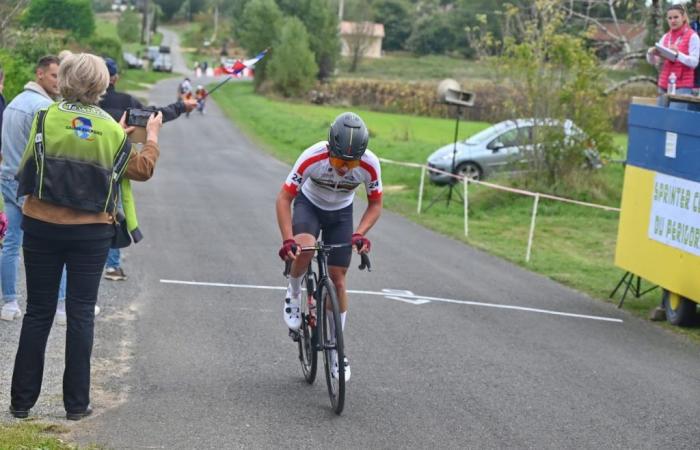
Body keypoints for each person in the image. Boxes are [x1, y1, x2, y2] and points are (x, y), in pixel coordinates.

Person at [9, 53, 163, 421]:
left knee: (37, 312)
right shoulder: (110, 128)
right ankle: (76, 405)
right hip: (91, 231)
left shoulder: (44, 116)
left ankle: (21, 402)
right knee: (80, 313)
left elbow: (31, 160)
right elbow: (139, 170)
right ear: (102, 85)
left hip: (41, 225)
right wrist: (151, 138)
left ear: (63, 79)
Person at [275, 112, 382, 382]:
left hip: (341, 213)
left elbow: (375, 203)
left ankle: (337, 351)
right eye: (338, 161)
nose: (345, 169)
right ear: (329, 149)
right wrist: (288, 239)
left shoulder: (370, 165)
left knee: (338, 281)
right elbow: (284, 197)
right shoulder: (313, 156)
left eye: (351, 162)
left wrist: (360, 233)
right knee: (306, 249)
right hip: (309, 205)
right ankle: (294, 290)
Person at [99, 57, 196, 281]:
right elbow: (155, 115)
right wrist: (182, 106)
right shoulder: (126, 101)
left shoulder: (83, 103)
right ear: (115, 78)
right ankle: (112, 265)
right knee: (114, 213)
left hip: (86, 168)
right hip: (118, 168)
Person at [0, 55, 68, 322]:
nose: (59, 82)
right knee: (57, 244)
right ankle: (61, 306)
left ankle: (9, 302)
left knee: (11, 244)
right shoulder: (44, 107)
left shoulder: (15, 100)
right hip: (30, 186)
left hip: (7, 178)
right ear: (40, 74)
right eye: (54, 76)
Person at [647, 4, 700, 109]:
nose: (672, 21)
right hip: (664, 84)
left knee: (674, 121)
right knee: (660, 119)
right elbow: (654, 62)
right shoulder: (666, 36)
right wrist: (650, 54)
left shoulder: (693, 36)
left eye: (676, 17)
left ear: (683, 17)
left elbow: (694, 62)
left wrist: (677, 55)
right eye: (670, 18)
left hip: (682, 86)